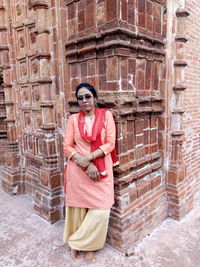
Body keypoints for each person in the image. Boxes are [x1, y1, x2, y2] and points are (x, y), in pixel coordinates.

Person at [63, 83, 118, 263]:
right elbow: (67, 147)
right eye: (80, 98)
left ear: (94, 97)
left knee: (101, 211)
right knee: (78, 209)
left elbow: (110, 143)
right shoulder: (73, 119)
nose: (84, 100)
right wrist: (86, 165)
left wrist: (91, 158)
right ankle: (81, 245)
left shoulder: (106, 116)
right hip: (78, 170)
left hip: (101, 168)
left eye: (87, 96)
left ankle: (80, 243)